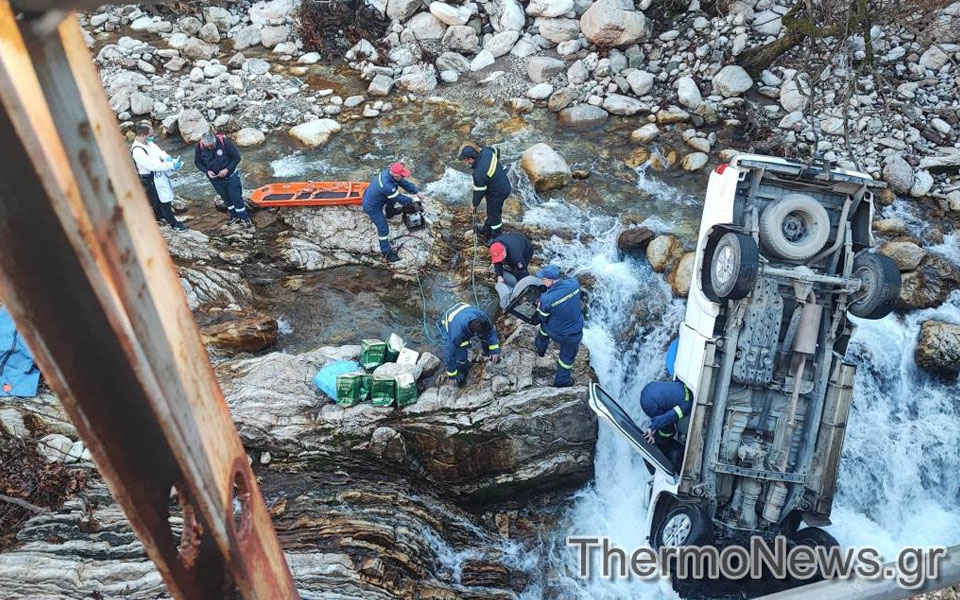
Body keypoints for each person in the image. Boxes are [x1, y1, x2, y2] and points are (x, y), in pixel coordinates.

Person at [362, 162, 423, 263]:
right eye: (402, 175)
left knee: (392, 199)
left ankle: (390, 213)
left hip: (379, 197)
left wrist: (416, 192)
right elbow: (398, 197)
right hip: (372, 206)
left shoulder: (389, 174)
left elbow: (403, 183)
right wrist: (412, 201)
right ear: (396, 175)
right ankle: (386, 252)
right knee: (383, 229)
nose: (403, 177)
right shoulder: (387, 186)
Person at [131, 123, 187, 231]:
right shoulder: (138, 150)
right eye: (150, 135)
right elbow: (151, 166)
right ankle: (174, 224)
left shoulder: (149, 144)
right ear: (143, 135)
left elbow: (160, 153)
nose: (153, 137)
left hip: (158, 176)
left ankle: (161, 218)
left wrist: (169, 159)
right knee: (162, 201)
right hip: (150, 178)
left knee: (161, 199)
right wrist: (170, 165)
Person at [534, 265, 583, 387]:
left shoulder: (546, 298)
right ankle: (562, 381)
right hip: (574, 332)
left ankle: (540, 348)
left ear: (550, 281)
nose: (542, 281)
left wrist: (539, 306)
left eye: (543, 279)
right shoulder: (574, 284)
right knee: (567, 358)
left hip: (556, 332)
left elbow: (542, 317)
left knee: (544, 326)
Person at [437, 302, 501, 388]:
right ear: (474, 332)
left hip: (463, 309)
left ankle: (488, 353)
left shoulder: (482, 317)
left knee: (486, 336)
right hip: (449, 319)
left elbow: (490, 331)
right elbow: (449, 355)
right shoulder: (456, 334)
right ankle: (463, 366)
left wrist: (494, 351)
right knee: (461, 353)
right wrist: (452, 375)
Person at [194, 131, 250, 227]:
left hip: (231, 176)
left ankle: (244, 218)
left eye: (213, 145)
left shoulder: (225, 142)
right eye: (209, 146)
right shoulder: (199, 147)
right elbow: (198, 162)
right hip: (215, 180)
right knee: (226, 198)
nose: (212, 148)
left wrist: (227, 169)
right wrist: (207, 171)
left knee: (236, 198)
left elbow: (237, 158)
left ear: (215, 140)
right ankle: (234, 216)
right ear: (204, 144)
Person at [459, 145, 511, 238]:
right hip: (503, 182)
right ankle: (486, 228)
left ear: (470, 159)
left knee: (494, 214)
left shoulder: (479, 173)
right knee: (491, 211)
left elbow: (479, 191)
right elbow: (497, 151)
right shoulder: (486, 152)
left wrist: (474, 204)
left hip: (498, 192)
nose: (465, 162)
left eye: (465, 160)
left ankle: (496, 236)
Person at [489, 232, 534, 308]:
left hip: (526, 248)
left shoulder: (516, 255)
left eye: (502, 257)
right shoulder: (494, 245)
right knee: (510, 265)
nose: (501, 260)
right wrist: (499, 275)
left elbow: (522, 271)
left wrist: (519, 289)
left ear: (504, 250)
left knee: (519, 271)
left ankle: (527, 289)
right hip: (513, 239)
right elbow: (497, 262)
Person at [640, 380, 692, 444]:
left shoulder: (686, 405)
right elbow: (669, 416)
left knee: (666, 429)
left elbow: (670, 416)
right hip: (651, 394)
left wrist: (653, 427)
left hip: (649, 390)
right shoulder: (686, 404)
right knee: (665, 426)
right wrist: (653, 427)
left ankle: (659, 440)